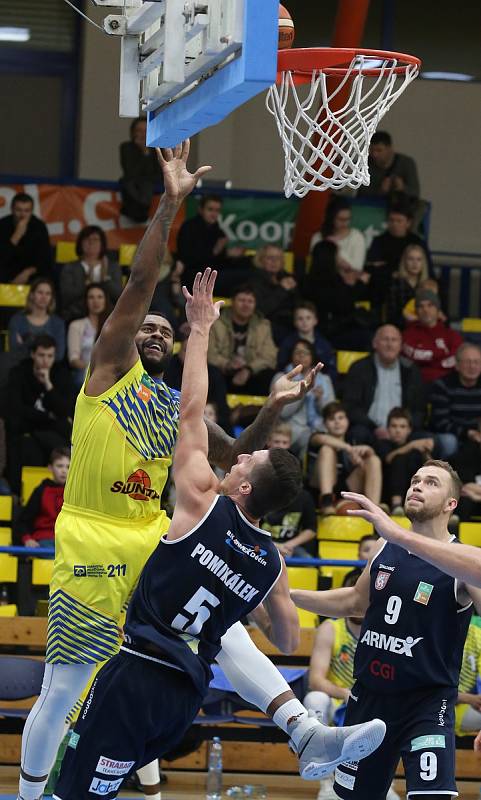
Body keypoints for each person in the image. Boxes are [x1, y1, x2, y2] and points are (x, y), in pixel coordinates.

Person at [16, 143, 377, 800]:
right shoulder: (106, 373)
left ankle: (302, 730)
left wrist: (270, 408)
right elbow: (138, 284)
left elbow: (235, 454)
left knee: (221, 627)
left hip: (155, 534)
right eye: (147, 328)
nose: (155, 333)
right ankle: (33, 790)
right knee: (64, 684)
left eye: (164, 331)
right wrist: (170, 205)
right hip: (93, 536)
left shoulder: (170, 403)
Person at [292, 459, 481, 800]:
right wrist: (287, 596)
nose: (418, 486)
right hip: (369, 697)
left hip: (426, 703)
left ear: (452, 504)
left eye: (432, 482)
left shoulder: (464, 560)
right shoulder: (385, 546)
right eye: (415, 479)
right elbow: (354, 602)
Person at [303, 569, 401, 800]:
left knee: (392, 705)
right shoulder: (331, 628)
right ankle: (326, 781)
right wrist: (344, 693)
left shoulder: (388, 631)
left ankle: (386, 783)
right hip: (339, 699)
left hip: (373, 700)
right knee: (314, 699)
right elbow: (315, 679)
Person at [6, 334, 75, 494]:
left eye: (50, 356)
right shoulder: (19, 373)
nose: (45, 360)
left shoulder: (61, 375)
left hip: (51, 433)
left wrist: (48, 385)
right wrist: (48, 417)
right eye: (41, 355)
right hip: (29, 430)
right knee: (27, 446)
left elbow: (65, 410)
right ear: (33, 354)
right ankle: (20, 494)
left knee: (57, 444)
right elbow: (16, 408)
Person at [342, 324, 426, 451]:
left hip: (403, 432)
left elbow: (419, 409)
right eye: (385, 339)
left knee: (430, 440)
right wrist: (374, 427)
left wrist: (404, 429)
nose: (390, 344)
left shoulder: (411, 370)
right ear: (375, 344)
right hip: (370, 429)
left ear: (401, 345)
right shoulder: (359, 368)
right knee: (357, 433)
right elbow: (351, 407)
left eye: (394, 340)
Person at [311, 402, 382, 516]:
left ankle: (374, 509)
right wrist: (349, 449)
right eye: (332, 419)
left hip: (345, 488)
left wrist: (368, 451)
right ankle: (327, 500)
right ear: (324, 423)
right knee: (327, 449)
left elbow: (369, 462)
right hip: (318, 489)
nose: (337, 422)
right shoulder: (317, 436)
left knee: (373, 460)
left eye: (341, 418)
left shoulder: (353, 440)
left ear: (347, 421)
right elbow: (322, 439)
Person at [207, 284, 278, 395]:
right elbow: (209, 354)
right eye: (241, 300)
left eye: (250, 301)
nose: (246, 305)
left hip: (250, 374)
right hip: (224, 373)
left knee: (272, 375)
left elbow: (269, 356)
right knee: (212, 373)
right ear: (232, 302)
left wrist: (249, 369)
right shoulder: (216, 322)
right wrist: (228, 365)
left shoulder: (263, 325)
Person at [261, 423, 318, 559]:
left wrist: (288, 545)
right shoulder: (260, 490)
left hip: (290, 547)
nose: (280, 446)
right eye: (277, 441)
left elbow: (311, 529)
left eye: (284, 442)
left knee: (308, 561)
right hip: (261, 543)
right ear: (268, 442)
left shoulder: (304, 496)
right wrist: (273, 545)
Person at [272, 340, 336, 458]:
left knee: (326, 444)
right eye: (297, 352)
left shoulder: (324, 380)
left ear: (312, 356)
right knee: (308, 438)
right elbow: (282, 413)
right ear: (291, 355)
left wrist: (319, 400)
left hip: (319, 428)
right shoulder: (281, 378)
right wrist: (302, 393)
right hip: (290, 428)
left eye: (306, 352)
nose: (301, 356)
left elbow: (331, 413)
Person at [366, 205, 431, 301]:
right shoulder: (379, 241)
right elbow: (372, 267)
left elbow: (428, 268)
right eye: (391, 220)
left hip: (416, 282)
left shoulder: (417, 242)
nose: (394, 224)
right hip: (387, 285)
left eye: (399, 221)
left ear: (408, 223)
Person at [59, 226, 122, 322]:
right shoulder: (70, 267)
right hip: (77, 315)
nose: (91, 243)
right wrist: (86, 283)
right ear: (80, 243)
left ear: (102, 244)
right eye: (87, 239)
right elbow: (66, 296)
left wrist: (105, 278)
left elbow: (119, 296)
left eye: (96, 239)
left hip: (108, 317)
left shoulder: (113, 267)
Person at [402, 289, 464, 385]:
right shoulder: (407, 334)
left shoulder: (452, 335)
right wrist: (440, 354)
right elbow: (413, 355)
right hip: (416, 383)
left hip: (446, 385)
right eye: (420, 306)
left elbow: (457, 359)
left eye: (430, 305)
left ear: (438, 310)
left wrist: (428, 360)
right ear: (416, 311)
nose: (425, 310)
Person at [429, 342, 481, 453]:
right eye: (467, 362)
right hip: (451, 435)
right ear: (457, 365)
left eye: (476, 362)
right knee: (449, 441)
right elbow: (441, 423)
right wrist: (468, 433)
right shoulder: (442, 386)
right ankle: (447, 470)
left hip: (478, 434)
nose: (472, 366)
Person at [382, 407, 434, 514]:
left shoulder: (415, 449)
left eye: (402, 426)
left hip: (413, 492)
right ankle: (396, 506)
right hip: (386, 494)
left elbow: (431, 468)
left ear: (409, 429)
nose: (398, 430)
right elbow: (389, 458)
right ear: (387, 429)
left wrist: (426, 453)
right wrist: (411, 445)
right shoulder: (382, 444)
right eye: (394, 426)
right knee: (399, 459)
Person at [16, 447, 70, 550]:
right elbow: (24, 520)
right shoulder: (41, 490)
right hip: (44, 540)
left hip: (68, 541)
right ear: (50, 467)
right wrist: (27, 539)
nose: (64, 470)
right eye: (59, 466)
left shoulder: (75, 491)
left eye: (68, 467)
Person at [277, 301, 337, 383]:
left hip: (318, 384)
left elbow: (331, 370)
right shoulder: (287, 343)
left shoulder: (324, 345)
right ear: (295, 322)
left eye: (308, 318)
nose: (304, 322)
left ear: (315, 320)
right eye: (300, 318)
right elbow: (281, 366)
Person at [8, 278, 65, 363]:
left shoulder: (58, 323)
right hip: (21, 368)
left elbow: (59, 355)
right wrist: (46, 352)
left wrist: (26, 343)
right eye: (40, 292)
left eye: (48, 294)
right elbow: (14, 352)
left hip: (50, 370)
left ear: (51, 298)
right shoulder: (17, 320)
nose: (44, 297)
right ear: (32, 295)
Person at [250, 245, 299, 343]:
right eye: (270, 258)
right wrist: (282, 289)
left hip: (292, 325)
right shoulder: (255, 280)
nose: (274, 261)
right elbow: (260, 311)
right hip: (268, 327)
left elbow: (298, 305)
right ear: (260, 260)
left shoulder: (289, 278)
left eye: (278, 258)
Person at [0, 192, 52, 283]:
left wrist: (27, 272)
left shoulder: (39, 227)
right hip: (6, 274)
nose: (22, 215)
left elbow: (45, 258)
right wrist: (16, 236)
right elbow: (2, 257)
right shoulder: (3, 225)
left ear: (31, 211)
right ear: (12, 209)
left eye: (27, 211)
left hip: (31, 274)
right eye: (18, 210)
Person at [67, 284, 112, 390]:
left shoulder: (113, 326)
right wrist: (93, 371)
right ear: (86, 301)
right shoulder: (76, 325)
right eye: (91, 297)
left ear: (105, 300)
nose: (95, 301)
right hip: (84, 373)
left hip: (110, 373)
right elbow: (73, 359)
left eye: (99, 297)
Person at [119, 117, 163, 223]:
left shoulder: (158, 149)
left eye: (146, 131)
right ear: (133, 133)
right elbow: (130, 171)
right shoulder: (126, 147)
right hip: (134, 186)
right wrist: (142, 151)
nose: (143, 134)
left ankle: (142, 207)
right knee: (128, 182)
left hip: (151, 186)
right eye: (139, 131)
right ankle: (139, 208)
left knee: (147, 183)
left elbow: (157, 173)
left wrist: (146, 151)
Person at [358, 131, 420, 200]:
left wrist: (402, 187)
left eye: (379, 150)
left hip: (399, 206)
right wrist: (380, 191)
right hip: (371, 206)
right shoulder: (364, 164)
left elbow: (415, 193)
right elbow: (357, 192)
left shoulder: (406, 163)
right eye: (372, 150)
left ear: (390, 149)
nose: (374, 154)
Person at [310, 198, 366, 272]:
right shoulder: (318, 237)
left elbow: (358, 267)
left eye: (348, 219)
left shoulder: (357, 237)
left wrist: (337, 249)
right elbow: (316, 265)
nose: (345, 223)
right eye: (341, 219)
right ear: (331, 218)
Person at [386, 244, 430, 329]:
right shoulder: (395, 282)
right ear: (404, 261)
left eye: (419, 259)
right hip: (400, 327)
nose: (415, 263)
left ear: (423, 263)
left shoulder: (428, 284)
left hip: (424, 327)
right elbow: (392, 314)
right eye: (411, 259)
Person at [455, 617, 481, 738]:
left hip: (463, 706)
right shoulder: (433, 635)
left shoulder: (477, 637)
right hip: (434, 708)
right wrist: (467, 698)